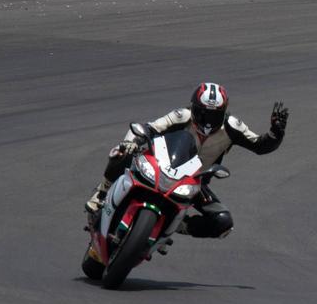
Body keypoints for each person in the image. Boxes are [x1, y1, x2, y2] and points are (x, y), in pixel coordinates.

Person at [83, 82, 288, 239]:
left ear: (223, 113)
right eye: (203, 113)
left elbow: (260, 146)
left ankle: (175, 225)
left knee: (223, 223)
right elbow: (149, 127)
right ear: (194, 107)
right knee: (122, 151)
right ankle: (101, 193)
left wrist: (275, 134)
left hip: (192, 182)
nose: (207, 121)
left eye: (214, 115)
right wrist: (131, 143)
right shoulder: (182, 116)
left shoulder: (233, 127)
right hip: (158, 166)